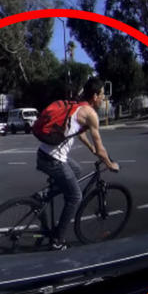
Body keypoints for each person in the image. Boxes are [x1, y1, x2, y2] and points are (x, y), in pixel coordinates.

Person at [35, 77, 119, 250]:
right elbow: (101, 148)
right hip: (53, 159)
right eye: (102, 94)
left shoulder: (77, 106)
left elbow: (80, 134)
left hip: (45, 153)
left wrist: (91, 150)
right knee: (75, 197)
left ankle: (43, 195)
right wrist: (110, 164)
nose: (104, 98)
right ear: (95, 96)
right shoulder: (91, 114)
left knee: (77, 171)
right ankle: (58, 241)